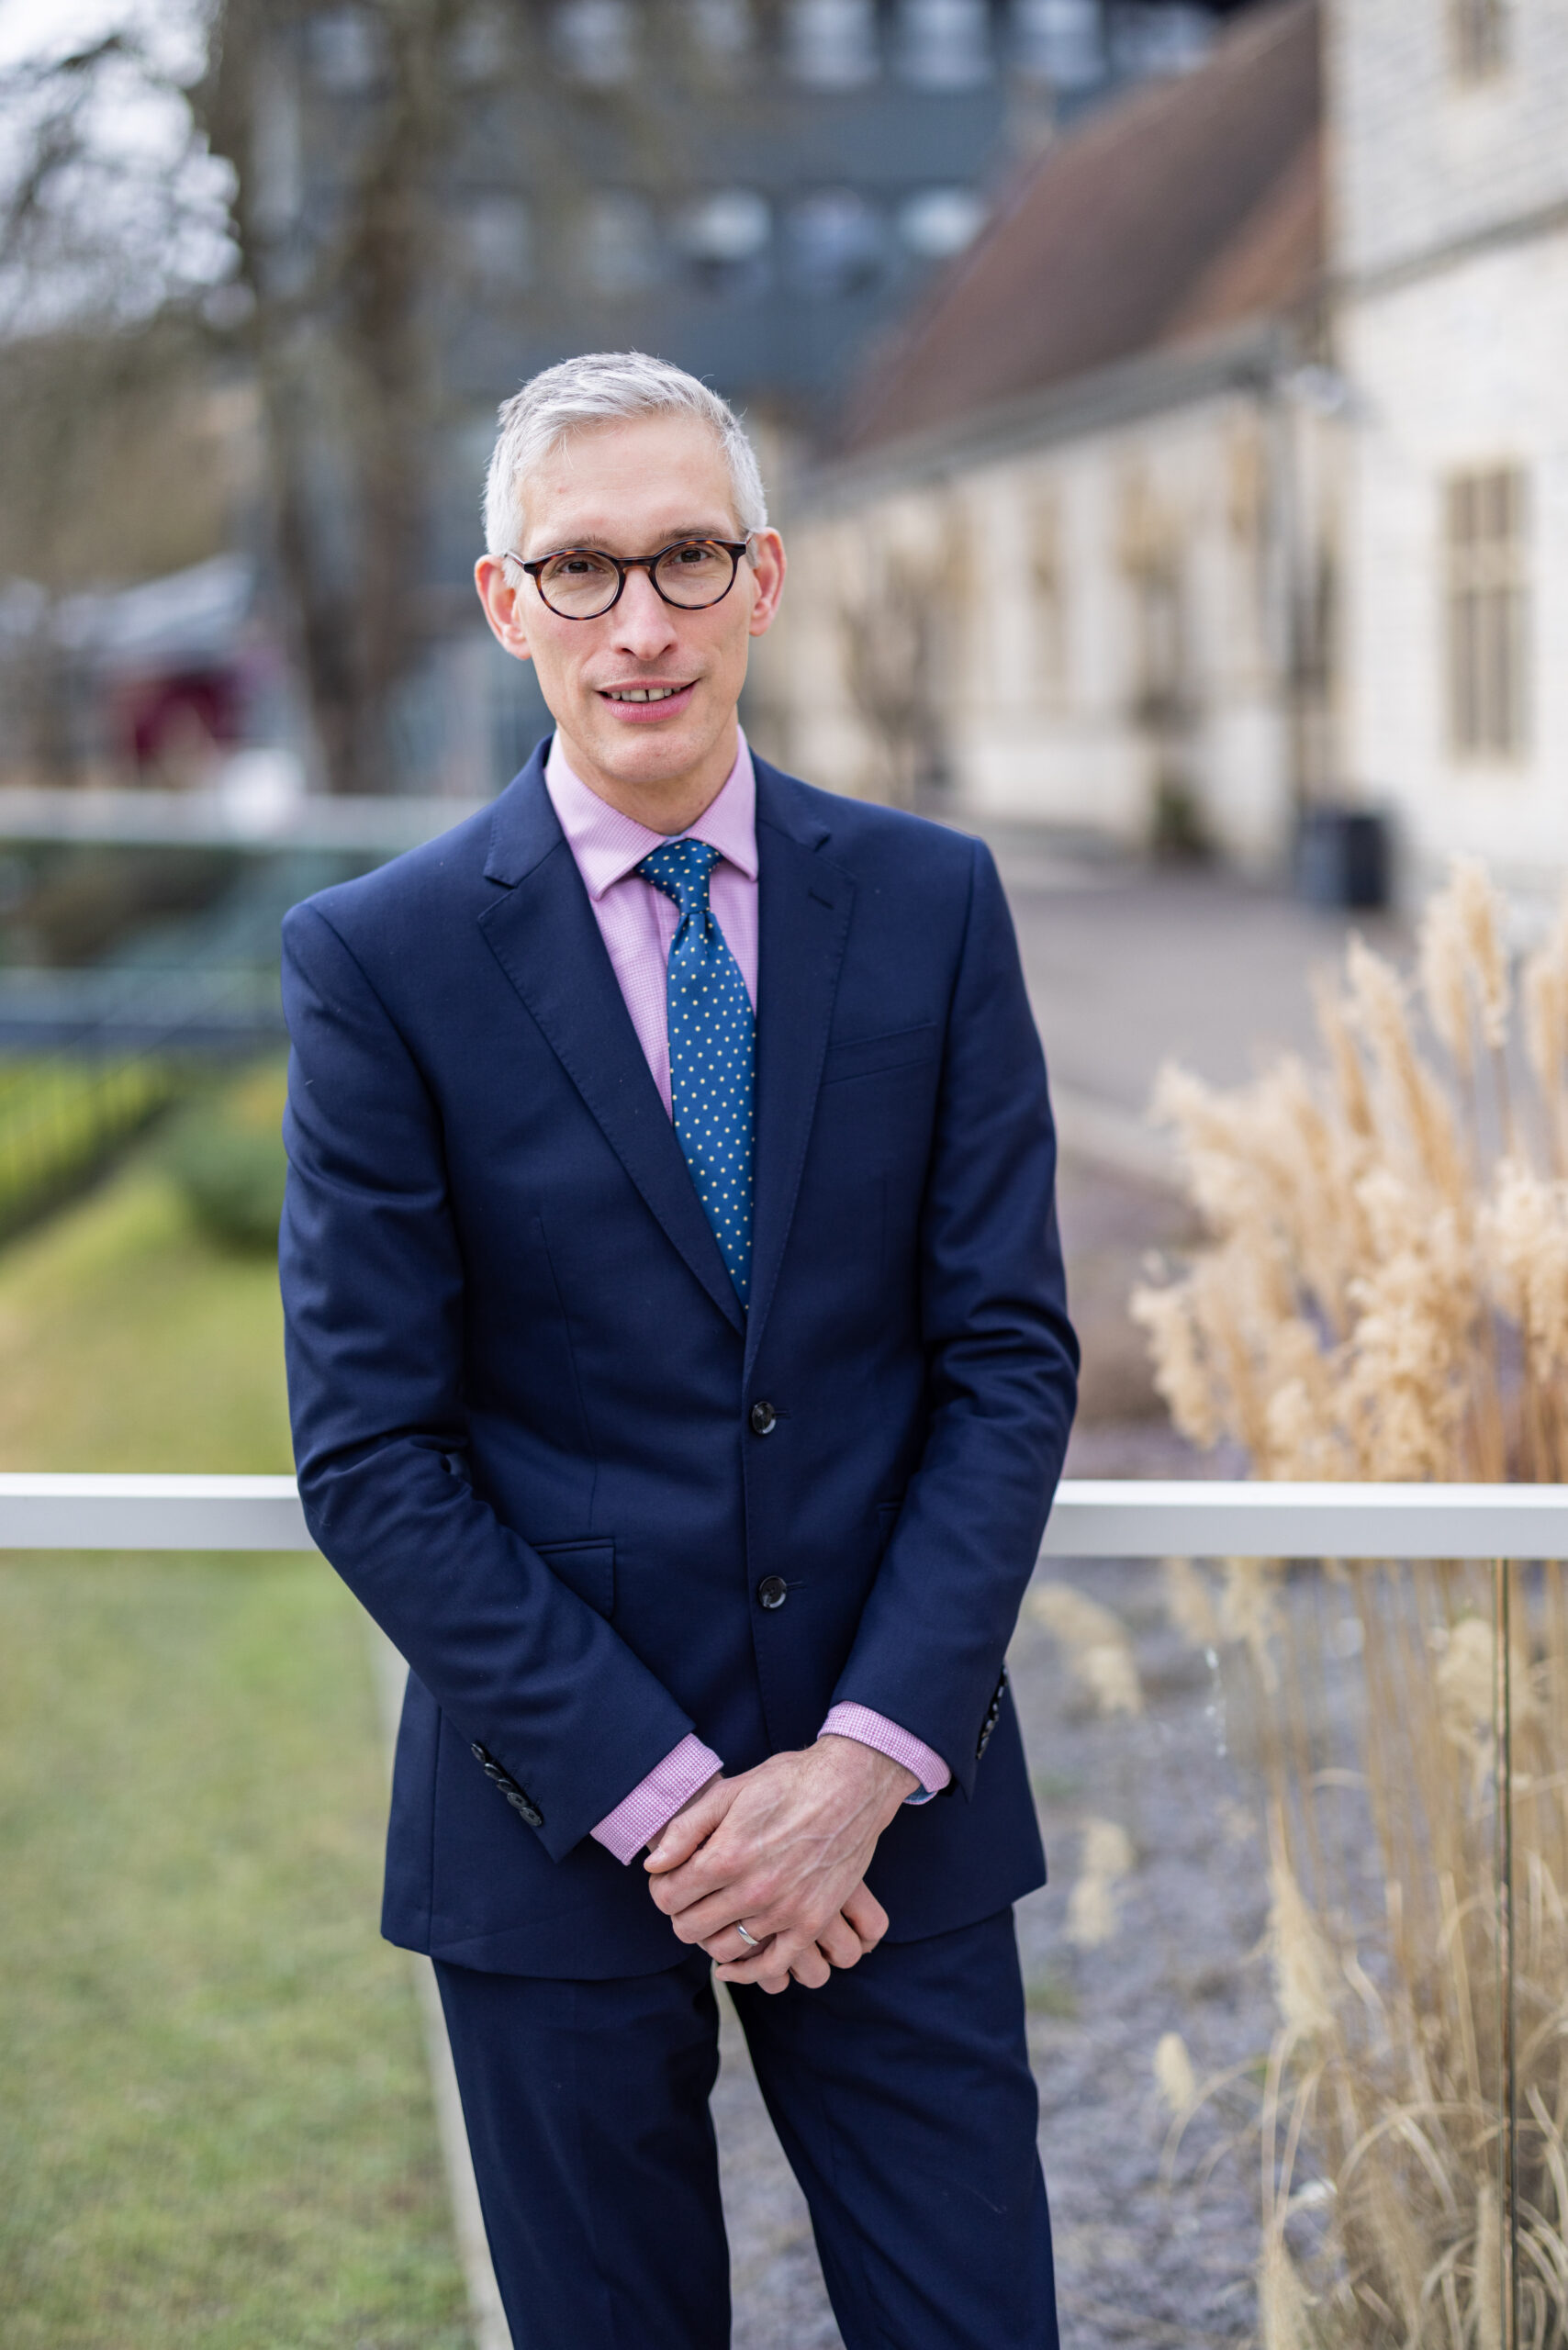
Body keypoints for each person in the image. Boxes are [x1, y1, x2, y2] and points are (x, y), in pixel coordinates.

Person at [279, 350, 1078, 2350]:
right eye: (579, 569)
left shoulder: (930, 904)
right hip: (552, 1820)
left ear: (762, 577)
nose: (636, 621)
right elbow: (372, 1448)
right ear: (502, 600)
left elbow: (1004, 1359)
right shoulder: (377, 960)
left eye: (683, 558)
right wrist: (671, 1798)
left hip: (893, 1810)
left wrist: (855, 1767)